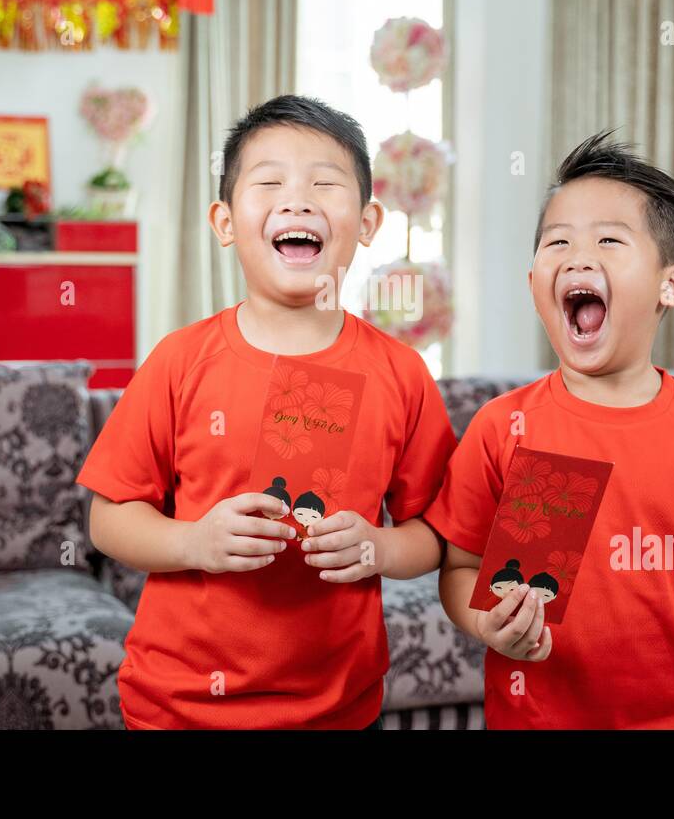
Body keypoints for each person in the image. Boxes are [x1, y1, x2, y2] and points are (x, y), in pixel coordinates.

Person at [77, 94, 456, 729]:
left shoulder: (402, 373)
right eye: (270, 182)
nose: (298, 200)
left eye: (324, 184)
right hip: (178, 706)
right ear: (225, 221)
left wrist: (380, 549)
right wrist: (192, 540)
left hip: (338, 706)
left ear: (367, 223)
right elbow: (108, 518)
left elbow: (439, 533)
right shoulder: (179, 360)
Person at [428, 130, 674, 729]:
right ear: (534, 286)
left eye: (609, 239)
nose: (580, 257)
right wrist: (483, 621)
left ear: (670, 284)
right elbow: (458, 570)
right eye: (558, 242)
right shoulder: (505, 427)